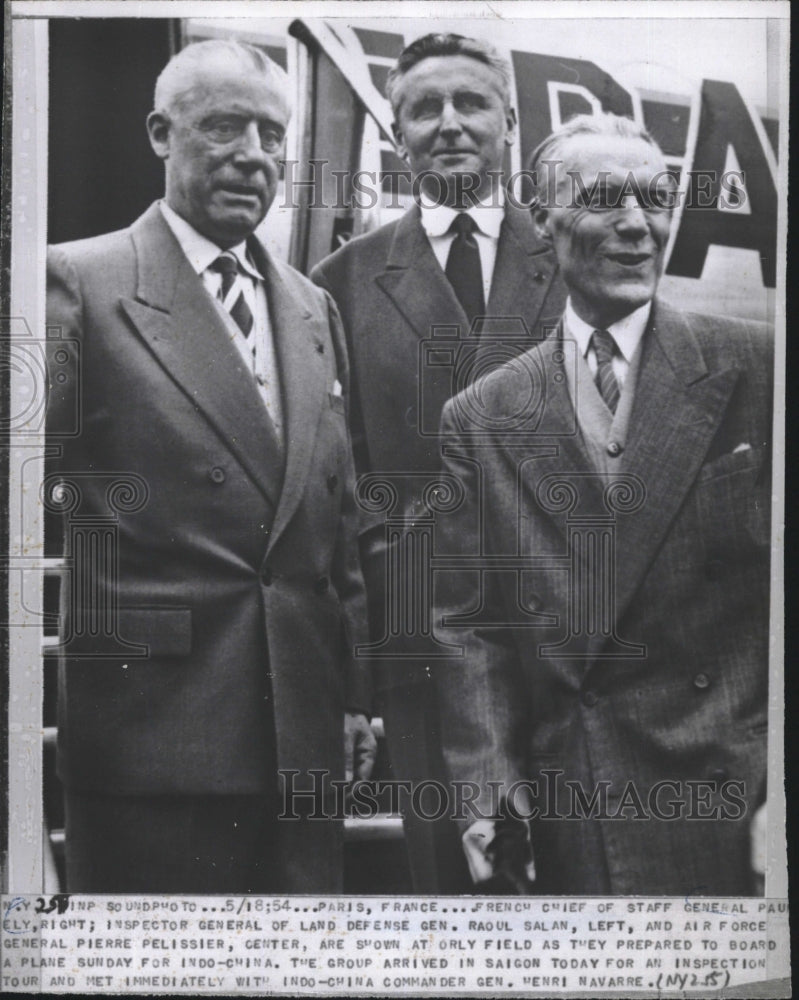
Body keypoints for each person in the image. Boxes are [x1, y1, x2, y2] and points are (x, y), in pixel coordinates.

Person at [45, 39, 376, 894]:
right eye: (225, 127)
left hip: (301, 741)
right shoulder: (79, 283)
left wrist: (353, 694)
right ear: (161, 133)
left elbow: (335, 531)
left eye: (272, 135)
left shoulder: (312, 307)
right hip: (155, 744)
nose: (253, 156)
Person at [432, 113, 772, 895]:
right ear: (542, 220)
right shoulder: (481, 415)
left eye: (654, 199)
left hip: (736, 799)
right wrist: (488, 797)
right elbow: (467, 628)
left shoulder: (757, 368)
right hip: (576, 805)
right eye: (603, 199)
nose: (635, 225)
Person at [311, 32, 566, 894]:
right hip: (420, 634)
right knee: (450, 888)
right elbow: (335, 488)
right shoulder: (338, 283)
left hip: (570, 631)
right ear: (395, 134)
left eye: (471, 103)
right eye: (425, 108)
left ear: (510, 120)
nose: (449, 125)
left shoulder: (581, 260)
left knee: (581, 888)